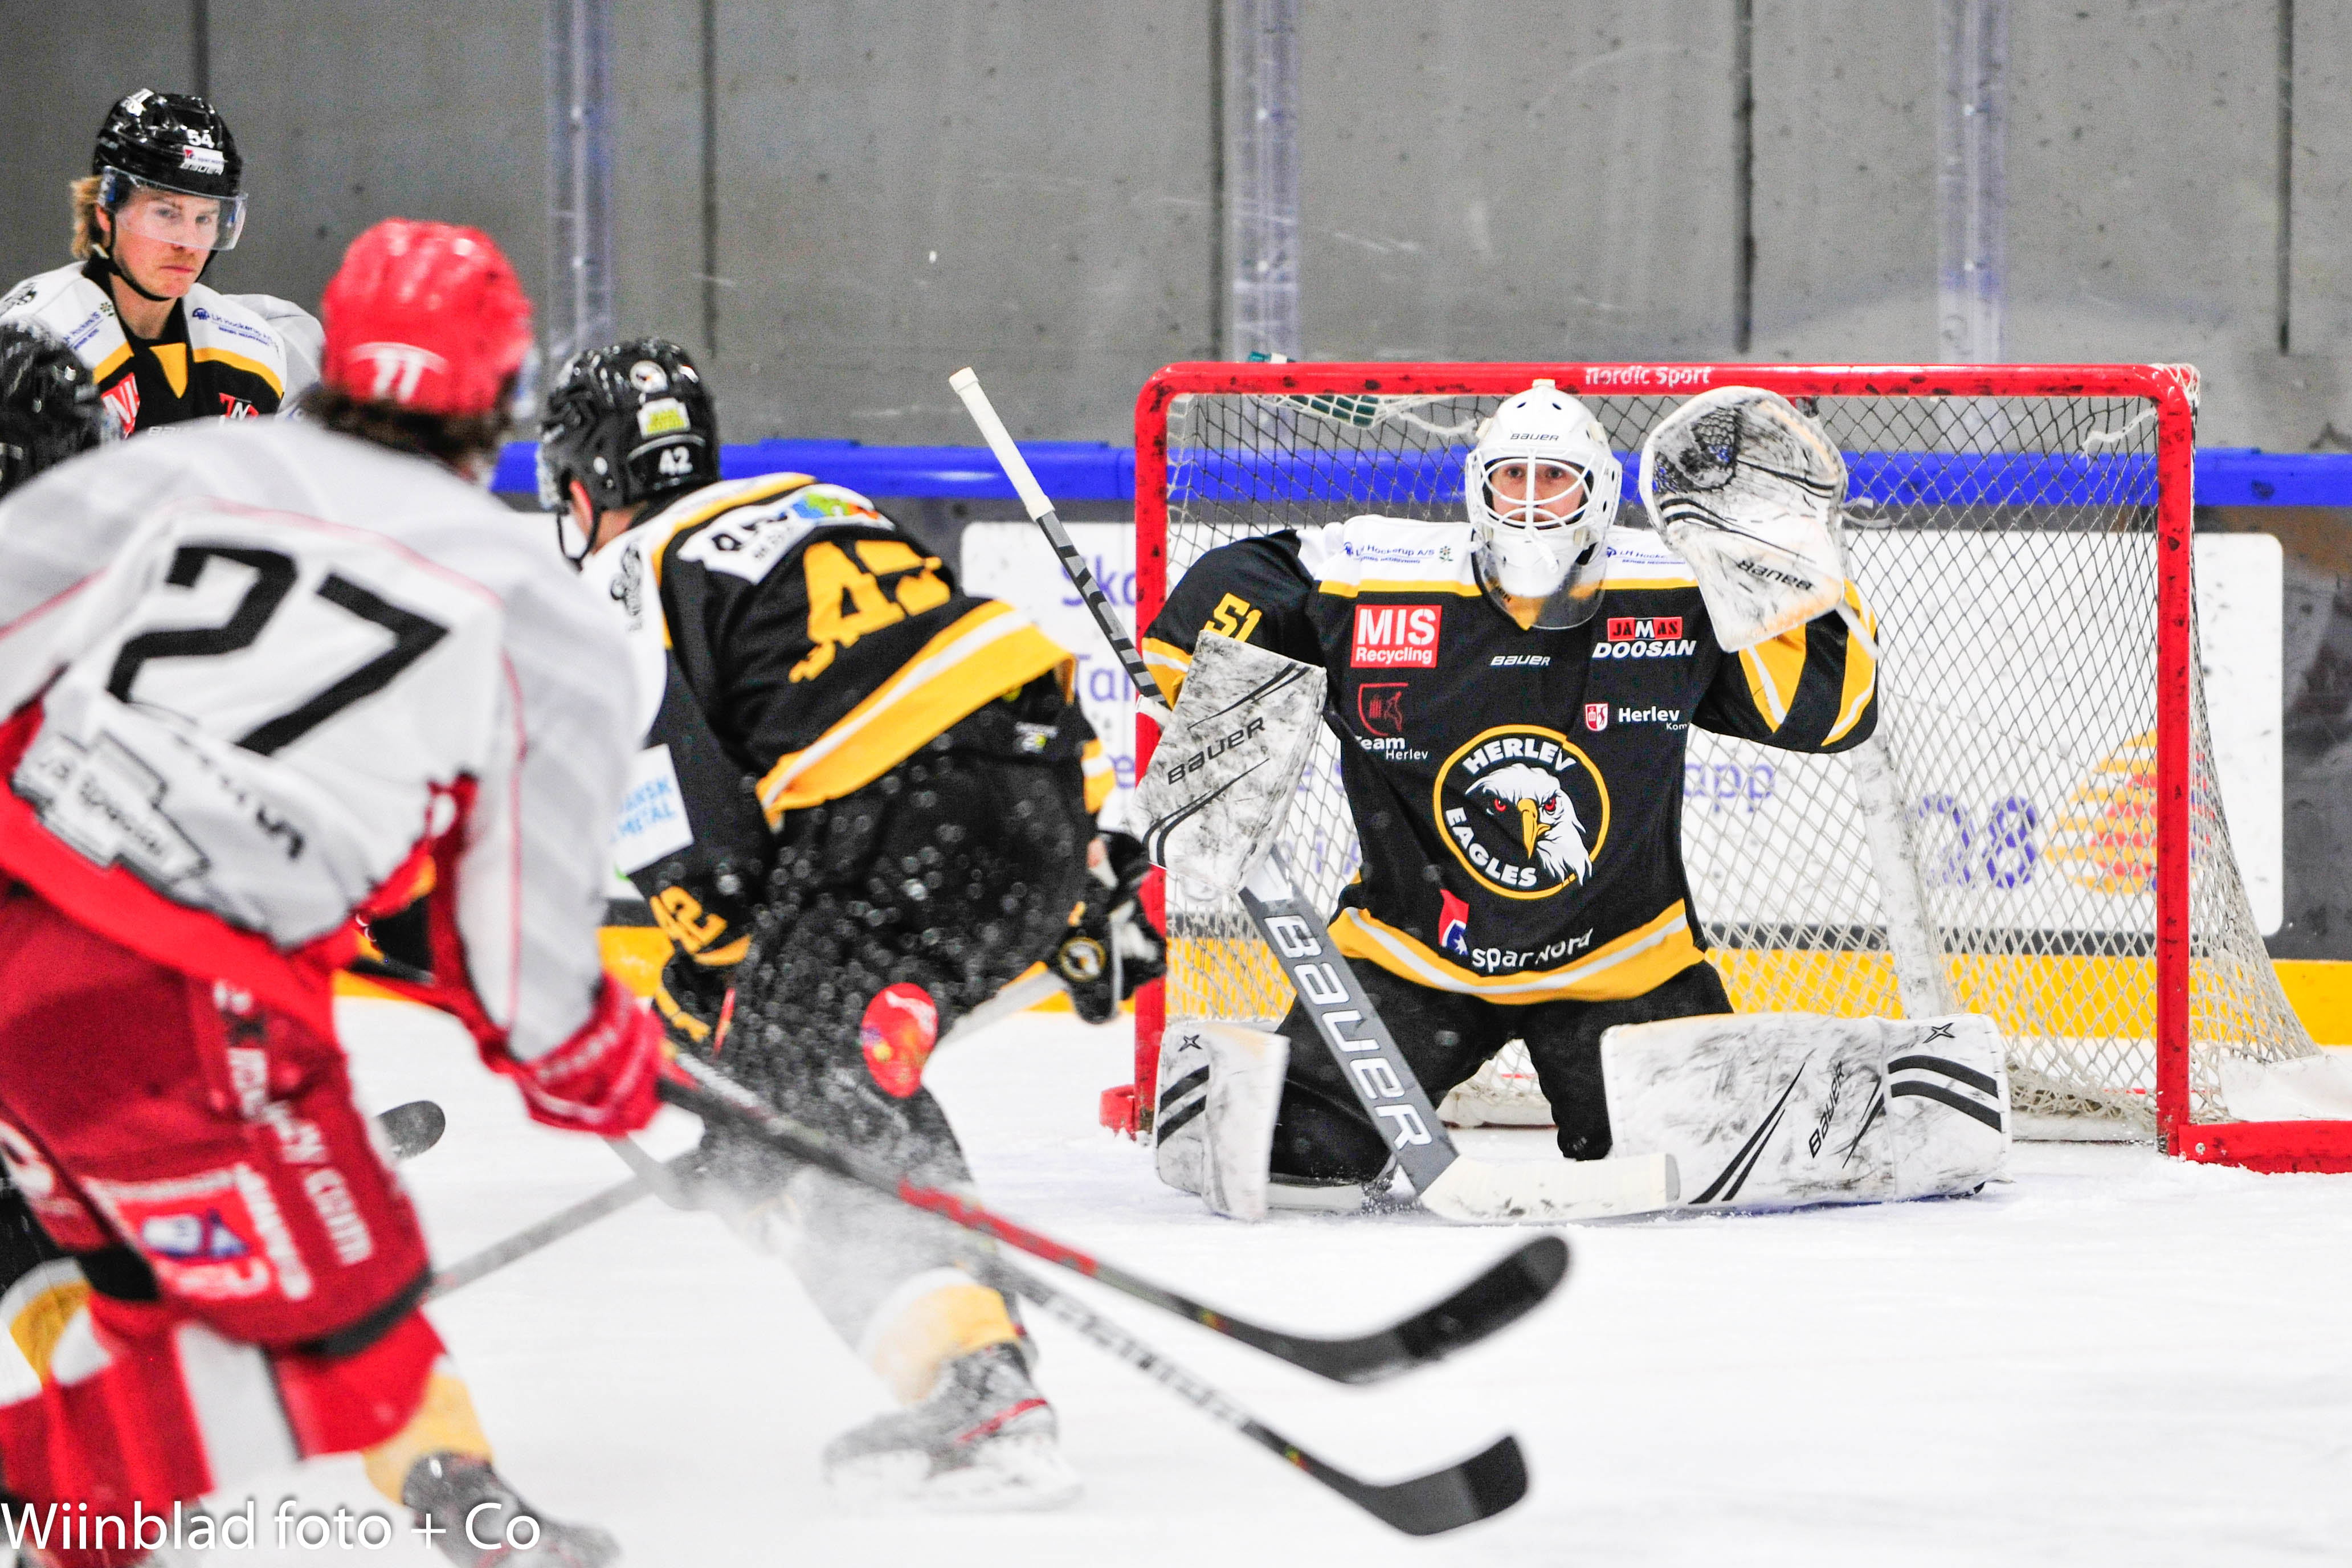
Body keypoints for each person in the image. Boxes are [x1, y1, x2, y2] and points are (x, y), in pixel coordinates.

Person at [0, 220, 661, 1568]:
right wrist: (601, 1065)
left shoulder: (183, 468)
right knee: (350, 1353)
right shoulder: (544, 615)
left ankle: (79, 1534)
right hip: (175, 1005)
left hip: (20, 923)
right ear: (504, 399)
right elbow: (523, 979)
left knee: (137, 1307)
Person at [541, 338, 1153, 1507]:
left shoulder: (623, 577)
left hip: (896, 810)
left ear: (584, 483)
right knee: (826, 1053)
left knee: (794, 1094)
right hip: (1042, 788)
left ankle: (977, 1388)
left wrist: (741, 1053)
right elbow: (934, 668)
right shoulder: (818, 500)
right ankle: (1072, 923)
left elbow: (688, 831)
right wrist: (1073, 872)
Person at [1141, 380, 1881, 1202]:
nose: (1530, 501)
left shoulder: (1676, 586)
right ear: (1477, 488)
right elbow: (1249, 580)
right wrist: (1205, 695)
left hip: (1623, 964)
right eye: (1511, 478)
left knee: (1704, 1171)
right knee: (1299, 1154)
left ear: (1599, 490)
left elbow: (1829, 716)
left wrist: (1779, 565)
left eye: (1554, 478)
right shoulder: (1371, 577)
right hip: (1411, 961)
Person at [0, 89, 317, 437]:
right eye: (166, 213)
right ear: (105, 210)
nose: (188, 243)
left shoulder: (252, 347)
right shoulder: (34, 342)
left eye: (204, 219)